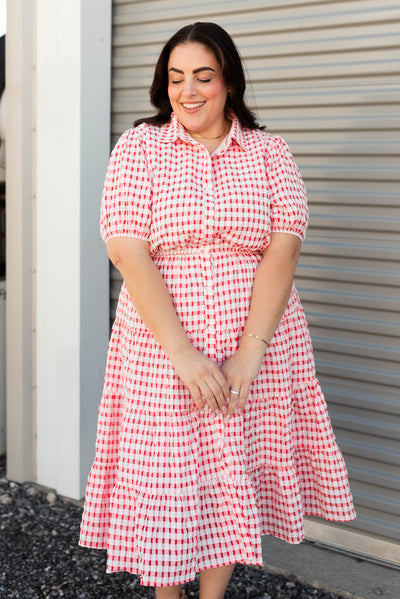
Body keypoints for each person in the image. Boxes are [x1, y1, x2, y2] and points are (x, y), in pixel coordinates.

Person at [79, 22, 356, 599]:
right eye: (176, 78)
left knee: (231, 470)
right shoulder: (140, 147)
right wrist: (182, 353)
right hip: (160, 340)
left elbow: (285, 244)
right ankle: (165, 592)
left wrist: (250, 353)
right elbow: (125, 247)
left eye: (203, 76)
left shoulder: (269, 151)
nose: (189, 91)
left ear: (229, 80)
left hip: (255, 335)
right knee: (167, 477)